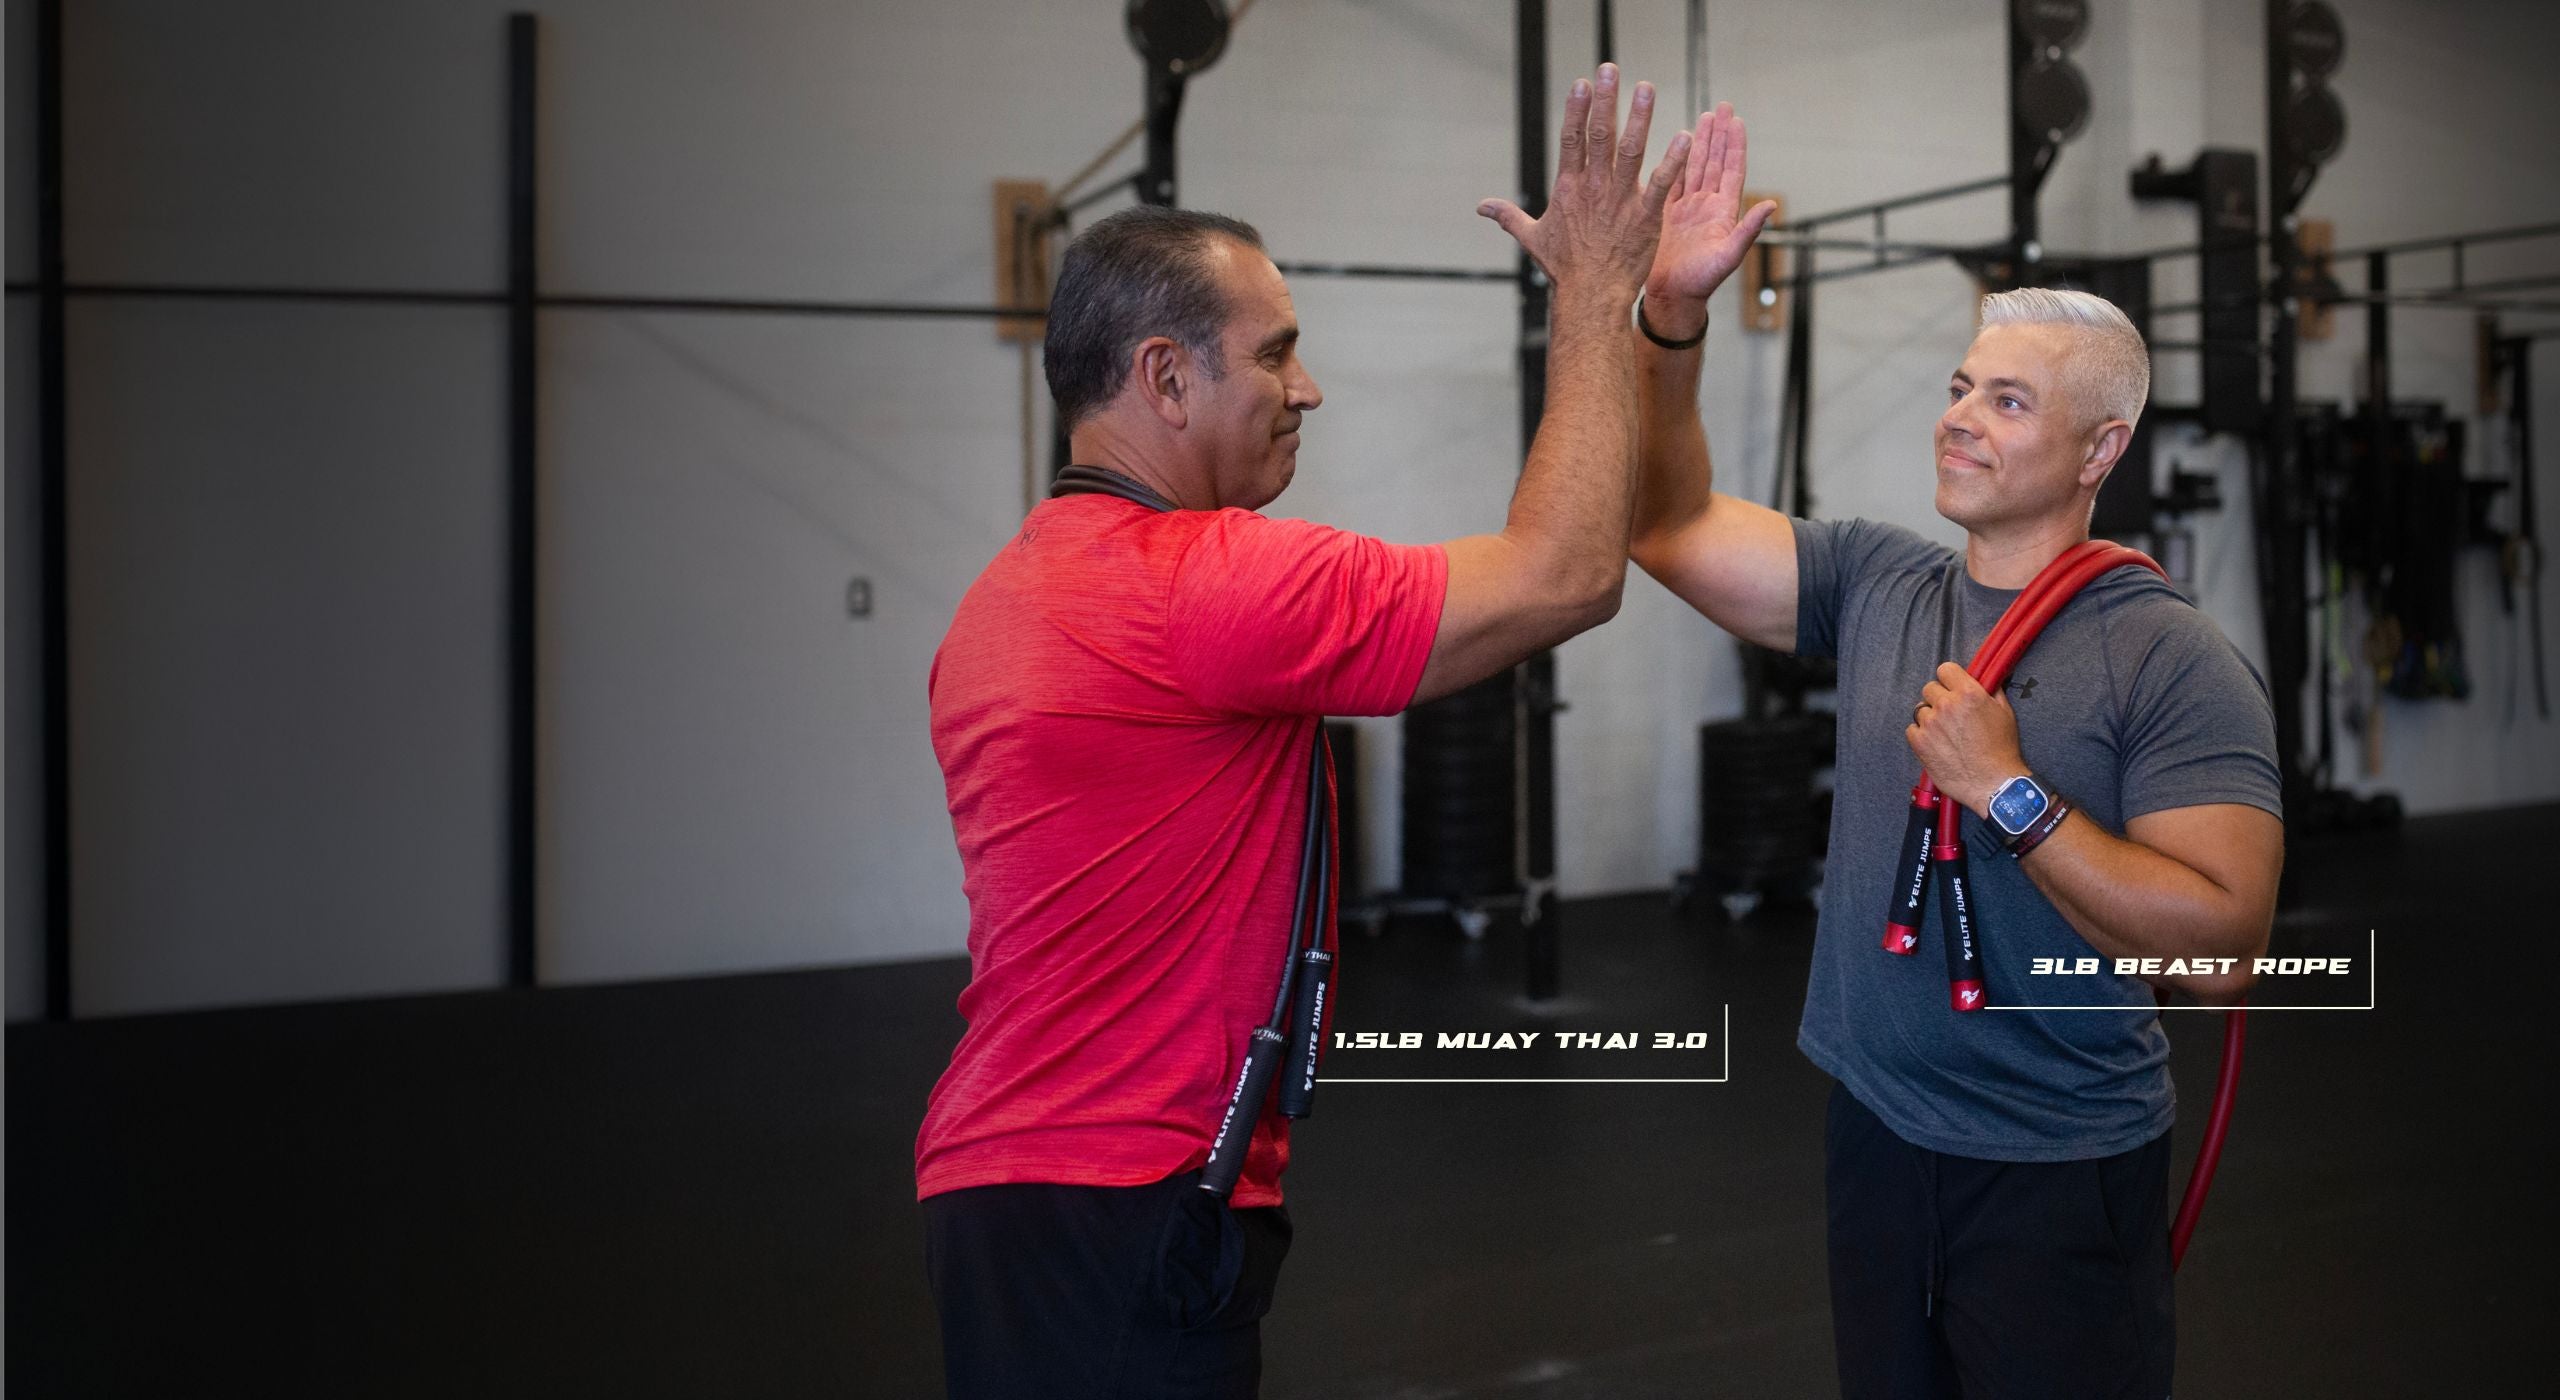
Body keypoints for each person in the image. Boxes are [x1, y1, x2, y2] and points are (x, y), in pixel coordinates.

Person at [918, 66, 1727, 1400]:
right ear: (1164, 379)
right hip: (1118, 1198)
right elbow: (1567, 574)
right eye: (1279, 352)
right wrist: (1598, 294)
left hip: (1023, 1191)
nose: (1311, 390)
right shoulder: (1200, 587)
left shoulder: (1013, 590)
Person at [1628, 105, 2286, 1398]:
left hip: (2056, 1167)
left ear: (2103, 448)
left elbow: (2220, 953)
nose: (1961, 419)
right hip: (1875, 1137)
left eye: (2009, 399)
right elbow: (1662, 520)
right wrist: (1670, 316)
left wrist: (2012, 793)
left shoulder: (2172, 657)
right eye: (1959, 388)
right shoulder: (1880, 580)